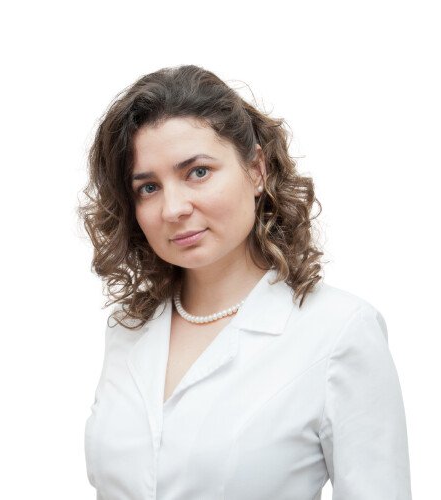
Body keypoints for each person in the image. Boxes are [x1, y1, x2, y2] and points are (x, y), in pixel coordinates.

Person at [78, 65, 412, 499]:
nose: (173, 208)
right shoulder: (127, 328)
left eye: (198, 172)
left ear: (256, 169)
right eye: (148, 187)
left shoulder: (339, 331)